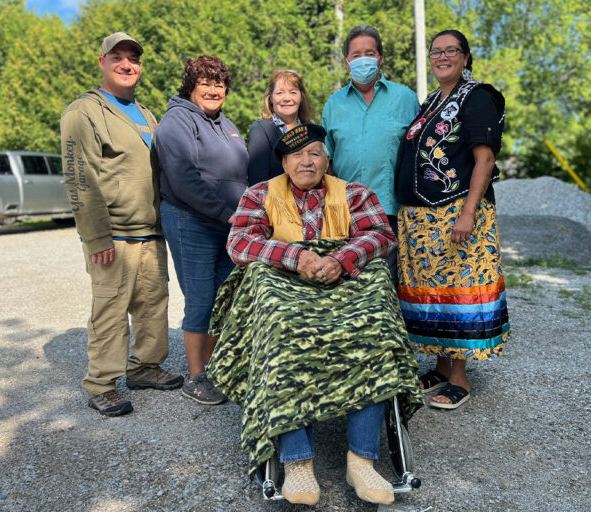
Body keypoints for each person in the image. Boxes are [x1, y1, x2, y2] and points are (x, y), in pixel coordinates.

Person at [206, 124, 422, 506]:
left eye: (315, 153)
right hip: (287, 287)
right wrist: (297, 256)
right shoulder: (259, 194)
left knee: (373, 329)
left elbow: (381, 234)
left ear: (327, 159)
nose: (306, 161)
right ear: (285, 162)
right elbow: (239, 244)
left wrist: (341, 258)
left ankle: (362, 461)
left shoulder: (354, 193)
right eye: (297, 155)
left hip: (345, 284)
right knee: (282, 331)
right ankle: (298, 463)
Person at [60, 32, 183, 417]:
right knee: (111, 310)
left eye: (134, 59)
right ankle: (101, 382)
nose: (127, 65)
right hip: (112, 233)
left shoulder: (146, 114)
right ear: (102, 62)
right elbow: (81, 179)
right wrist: (96, 236)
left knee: (152, 303)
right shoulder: (84, 112)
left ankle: (145, 367)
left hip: (150, 229)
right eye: (118, 57)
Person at [395, 29, 510, 410]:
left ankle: (459, 377)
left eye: (451, 51)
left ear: (465, 57)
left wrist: (467, 213)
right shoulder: (432, 101)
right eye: (436, 51)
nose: (442, 56)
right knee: (434, 294)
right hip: (422, 218)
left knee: (455, 290)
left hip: (454, 214)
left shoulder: (476, 98)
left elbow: (485, 160)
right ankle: (441, 367)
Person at [153, 55, 248, 405]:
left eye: (220, 83)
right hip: (190, 220)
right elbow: (183, 179)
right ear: (191, 86)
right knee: (200, 299)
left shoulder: (228, 124)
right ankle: (195, 377)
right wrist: (227, 214)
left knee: (224, 298)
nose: (213, 89)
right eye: (205, 82)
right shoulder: (177, 120)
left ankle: (212, 366)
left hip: (227, 224)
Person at [321, 24, 420, 283]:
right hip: (345, 211)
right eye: (356, 55)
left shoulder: (405, 99)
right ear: (346, 62)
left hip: (391, 210)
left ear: (381, 58)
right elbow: (326, 162)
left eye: (369, 53)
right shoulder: (333, 105)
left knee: (385, 284)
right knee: (347, 285)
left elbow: (420, 156)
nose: (363, 60)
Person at [247, 69, 313, 185]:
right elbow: (257, 182)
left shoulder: (311, 132)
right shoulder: (262, 130)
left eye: (293, 92)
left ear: (301, 97)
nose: (287, 98)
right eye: (279, 93)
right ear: (271, 98)